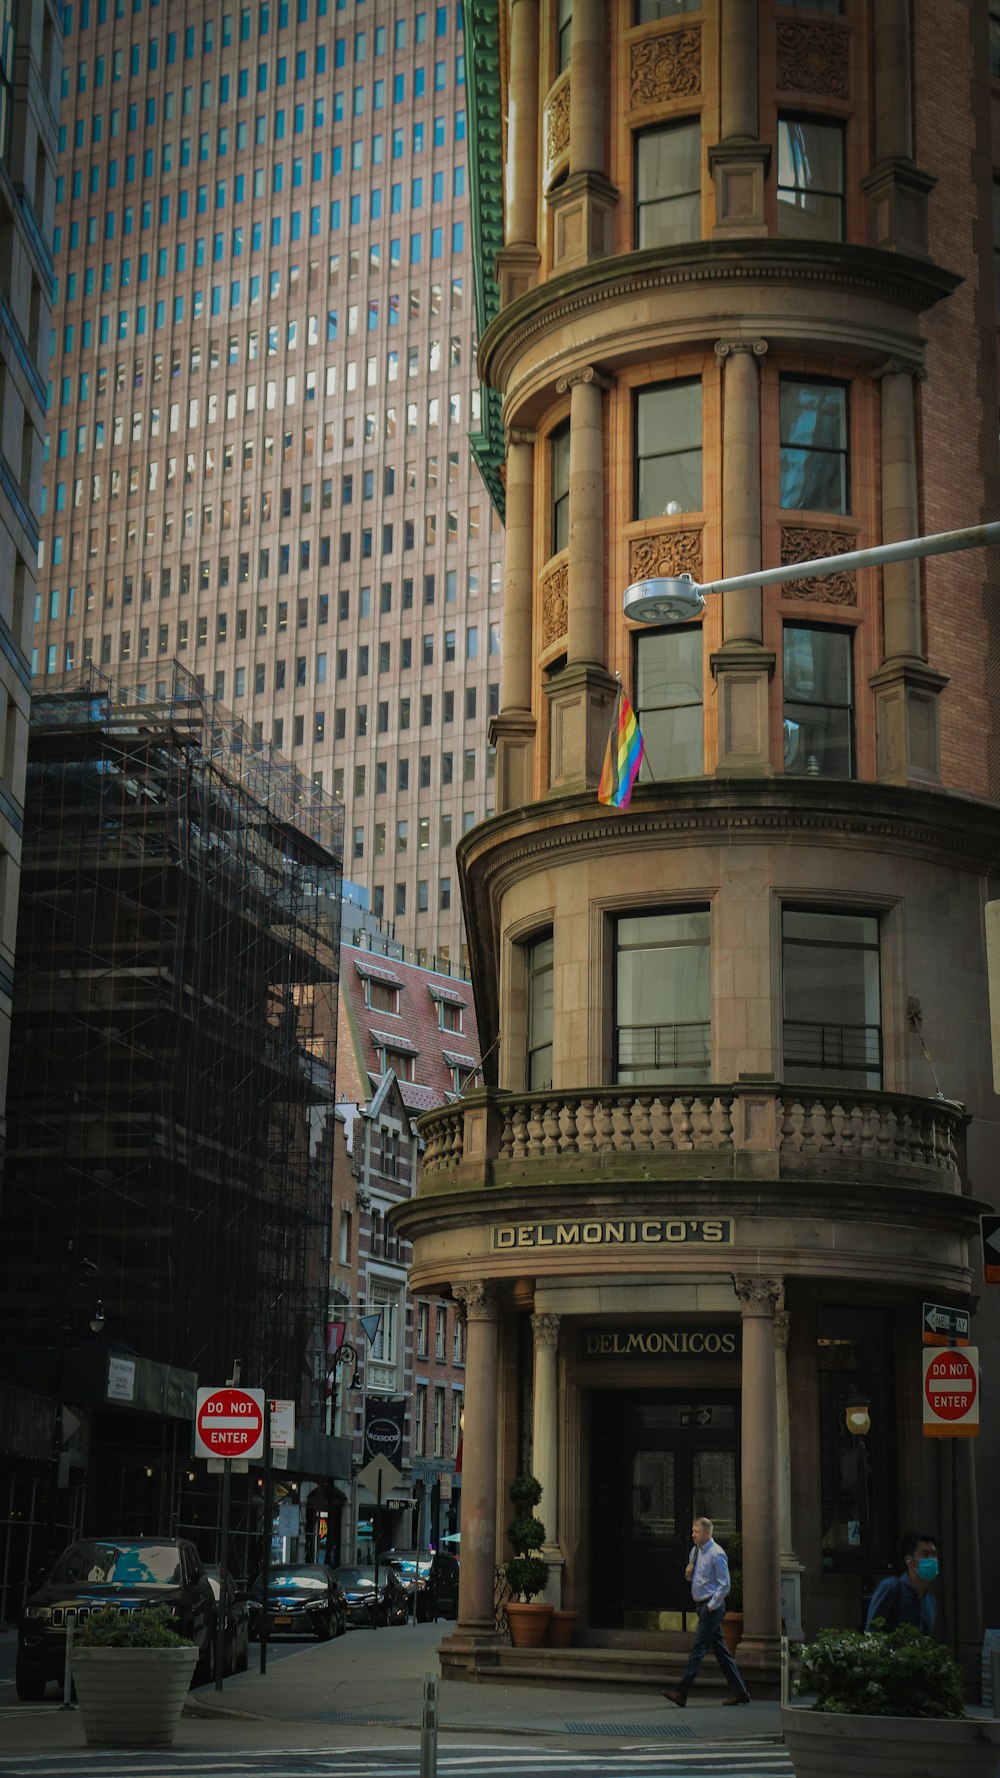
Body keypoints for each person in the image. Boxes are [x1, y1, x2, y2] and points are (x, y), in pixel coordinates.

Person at [664, 1517, 751, 1707]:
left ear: (707, 1533)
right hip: (701, 1606)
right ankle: (741, 1692)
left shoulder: (717, 1553)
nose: (692, 1534)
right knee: (721, 1651)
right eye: (693, 1531)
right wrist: (688, 1574)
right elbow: (696, 1579)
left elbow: (725, 1584)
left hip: (711, 1608)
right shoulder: (695, 1551)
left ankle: (681, 1692)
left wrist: (711, 1606)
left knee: (697, 1649)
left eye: (696, 1531)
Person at [864, 1531, 938, 1634]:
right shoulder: (891, 1588)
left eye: (934, 1554)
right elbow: (872, 1632)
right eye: (925, 1554)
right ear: (909, 1561)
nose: (932, 1560)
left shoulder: (930, 1601)